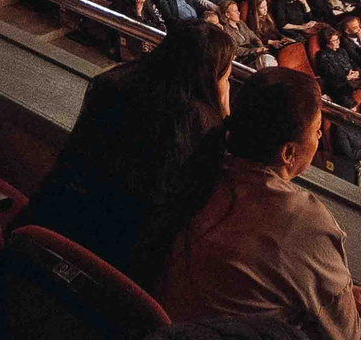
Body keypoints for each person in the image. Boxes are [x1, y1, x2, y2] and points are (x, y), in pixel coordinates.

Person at [153, 66, 361, 340]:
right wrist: (341, 299)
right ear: (287, 152)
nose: (321, 138)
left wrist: (340, 293)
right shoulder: (302, 221)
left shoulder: (201, 171)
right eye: (315, 131)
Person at [29, 19, 235, 276]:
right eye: (226, 76)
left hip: (59, 221)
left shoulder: (113, 83)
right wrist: (222, 111)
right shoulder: (203, 125)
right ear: (210, 76)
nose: (227, 84)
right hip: (125, 260)